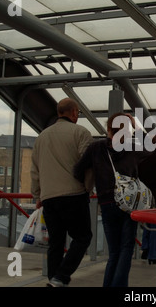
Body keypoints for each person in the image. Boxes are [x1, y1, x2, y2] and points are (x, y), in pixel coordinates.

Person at [74, 112, 153, 287]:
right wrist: (136, 125)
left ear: (108, 128)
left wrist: (90, 185)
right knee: (126, 249)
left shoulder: (96, 148)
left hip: (107, 201)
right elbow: (151, 147)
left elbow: (78, 170)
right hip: (129, 204)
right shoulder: (133, 147)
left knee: (115, 252)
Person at [31, 98, 94, 287]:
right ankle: (61, 276)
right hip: (74, 195)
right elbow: (88, 165)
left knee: (55, 243)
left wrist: (38, 195)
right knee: (83, 237)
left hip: (49, 198)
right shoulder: (81, 133)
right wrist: (87, 189)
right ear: (74, 112)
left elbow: (34, 171)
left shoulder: (41, 137)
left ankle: (54, 280)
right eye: (78, 113)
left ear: (59, 112)